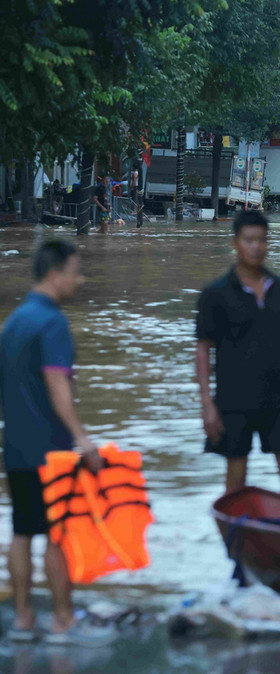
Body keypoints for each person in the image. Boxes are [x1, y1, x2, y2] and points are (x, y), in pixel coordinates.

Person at [0, 240, 114, 646]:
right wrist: (83, 438)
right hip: (51, 449)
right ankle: (64, 620)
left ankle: (24, 619)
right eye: (75, 271)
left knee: (21, 532)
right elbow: (56, 383)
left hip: (14, 446)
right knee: (56, 534)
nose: (79, 280)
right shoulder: (52, 323)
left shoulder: (13, 323)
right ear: (55, 273)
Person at [195, 211, 280, 496]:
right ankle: (235, 537)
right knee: (236, 481)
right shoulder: (215, 295)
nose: (256, 247)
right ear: (235, 243)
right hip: (233, 398)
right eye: (249, 240)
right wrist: (206, 404)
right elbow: (203, 351)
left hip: (279, 397)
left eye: (262, 240)